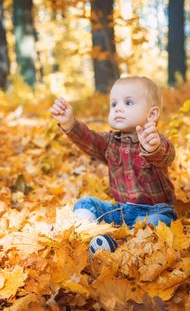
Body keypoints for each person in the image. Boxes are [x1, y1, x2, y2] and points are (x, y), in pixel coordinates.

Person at [50, 76, 178, 230]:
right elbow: (89, 139)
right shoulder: (110, 142)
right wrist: (69, 123)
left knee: (160, 222)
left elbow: (167, 155)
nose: (118, 108)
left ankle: (131, 235)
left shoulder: (154, 140)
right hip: (121, 211)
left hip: (155, 211)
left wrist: (153, 149)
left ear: (151, 115)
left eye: (128, 102)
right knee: (85, 204)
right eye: (114, 104)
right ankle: (87, 230)